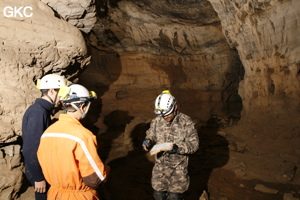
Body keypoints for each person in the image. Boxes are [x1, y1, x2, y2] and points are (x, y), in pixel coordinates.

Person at [37, 83, 110, 200]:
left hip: (54, 195)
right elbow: (94, 179)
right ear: (82, 107)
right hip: (78, 196)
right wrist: (106, 170)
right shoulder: (82, 135)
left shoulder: (48, 133)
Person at [142, 90, 199, 200]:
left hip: (178, 171)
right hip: (159, 170)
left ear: (175, 107)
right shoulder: (157, 121)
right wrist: (148, 140)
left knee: (174, 197)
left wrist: (178, 148)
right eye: (162, 115)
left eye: (167, 114)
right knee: (158, 195)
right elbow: (151, 133)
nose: (165, 117)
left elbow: (194, 145)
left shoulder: (186, 122)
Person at [22, 74, 67, 200]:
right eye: (61, 92)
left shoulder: (42, 110)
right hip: (39, 172)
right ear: (51, 91)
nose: (62, 97)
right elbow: (30, 149)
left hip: (42, 168)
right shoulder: (38, 112)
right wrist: (38, 178)